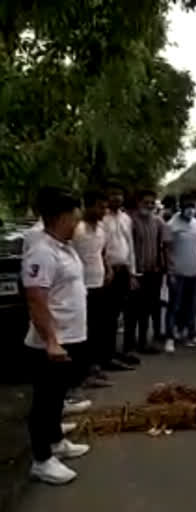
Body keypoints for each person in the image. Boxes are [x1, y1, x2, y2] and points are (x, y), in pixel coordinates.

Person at [24, 187, 91, 485]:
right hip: (52, 343)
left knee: (57, 398)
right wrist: (51, 341)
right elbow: (36, 298)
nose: (79, 220)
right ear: (62, 216)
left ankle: (56, 444)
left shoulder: (63, 246)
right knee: (45, 403)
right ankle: (41, 460)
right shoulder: (42, 251)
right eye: (76, 214)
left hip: (69, 337)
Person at [71, 190, 112, 388]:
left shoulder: (101, 229)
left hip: (99, 284)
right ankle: (82, 374)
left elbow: (101, 252)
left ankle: (94, 367)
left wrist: (108, 268)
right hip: (81, 287)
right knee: (84, 332)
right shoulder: (77, 230)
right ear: (88, 206)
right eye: (100, 207)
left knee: (97, 329)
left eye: (105, 207)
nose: (104, 211)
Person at [163, 193, 196, 353]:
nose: (190, 210)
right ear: (180, 207)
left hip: (195, 273)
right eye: (187, 206)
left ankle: (191, 335)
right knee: (174, 306)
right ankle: (170, 337)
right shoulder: (171, 225)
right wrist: (170, 272)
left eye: (192, 206)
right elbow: (167, 250)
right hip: (177, 273)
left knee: (192, 305)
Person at [102, 183, 139, 370]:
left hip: (125, 269)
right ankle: (107, 356)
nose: (117, 198)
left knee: (125, 312)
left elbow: (130, 246)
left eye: (119, 194)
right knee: (109, 315)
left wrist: (133, 272)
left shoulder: (126, 218)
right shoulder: (102, 218)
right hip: (108, 271)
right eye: (113, 194)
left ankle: (124, 351)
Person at [125, 189, 165, 354]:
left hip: (153, 272)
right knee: (131, 310)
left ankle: (143, 342)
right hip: (136, 273)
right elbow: (127, 248)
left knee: (146, 310)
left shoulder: (157, 222)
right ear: (138, 203)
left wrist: (160, 265)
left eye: (151, 203)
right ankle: (129, 344)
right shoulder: (130, 221)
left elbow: (160, 245)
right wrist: (131, 273)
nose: (148, 206)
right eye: (145, 202)